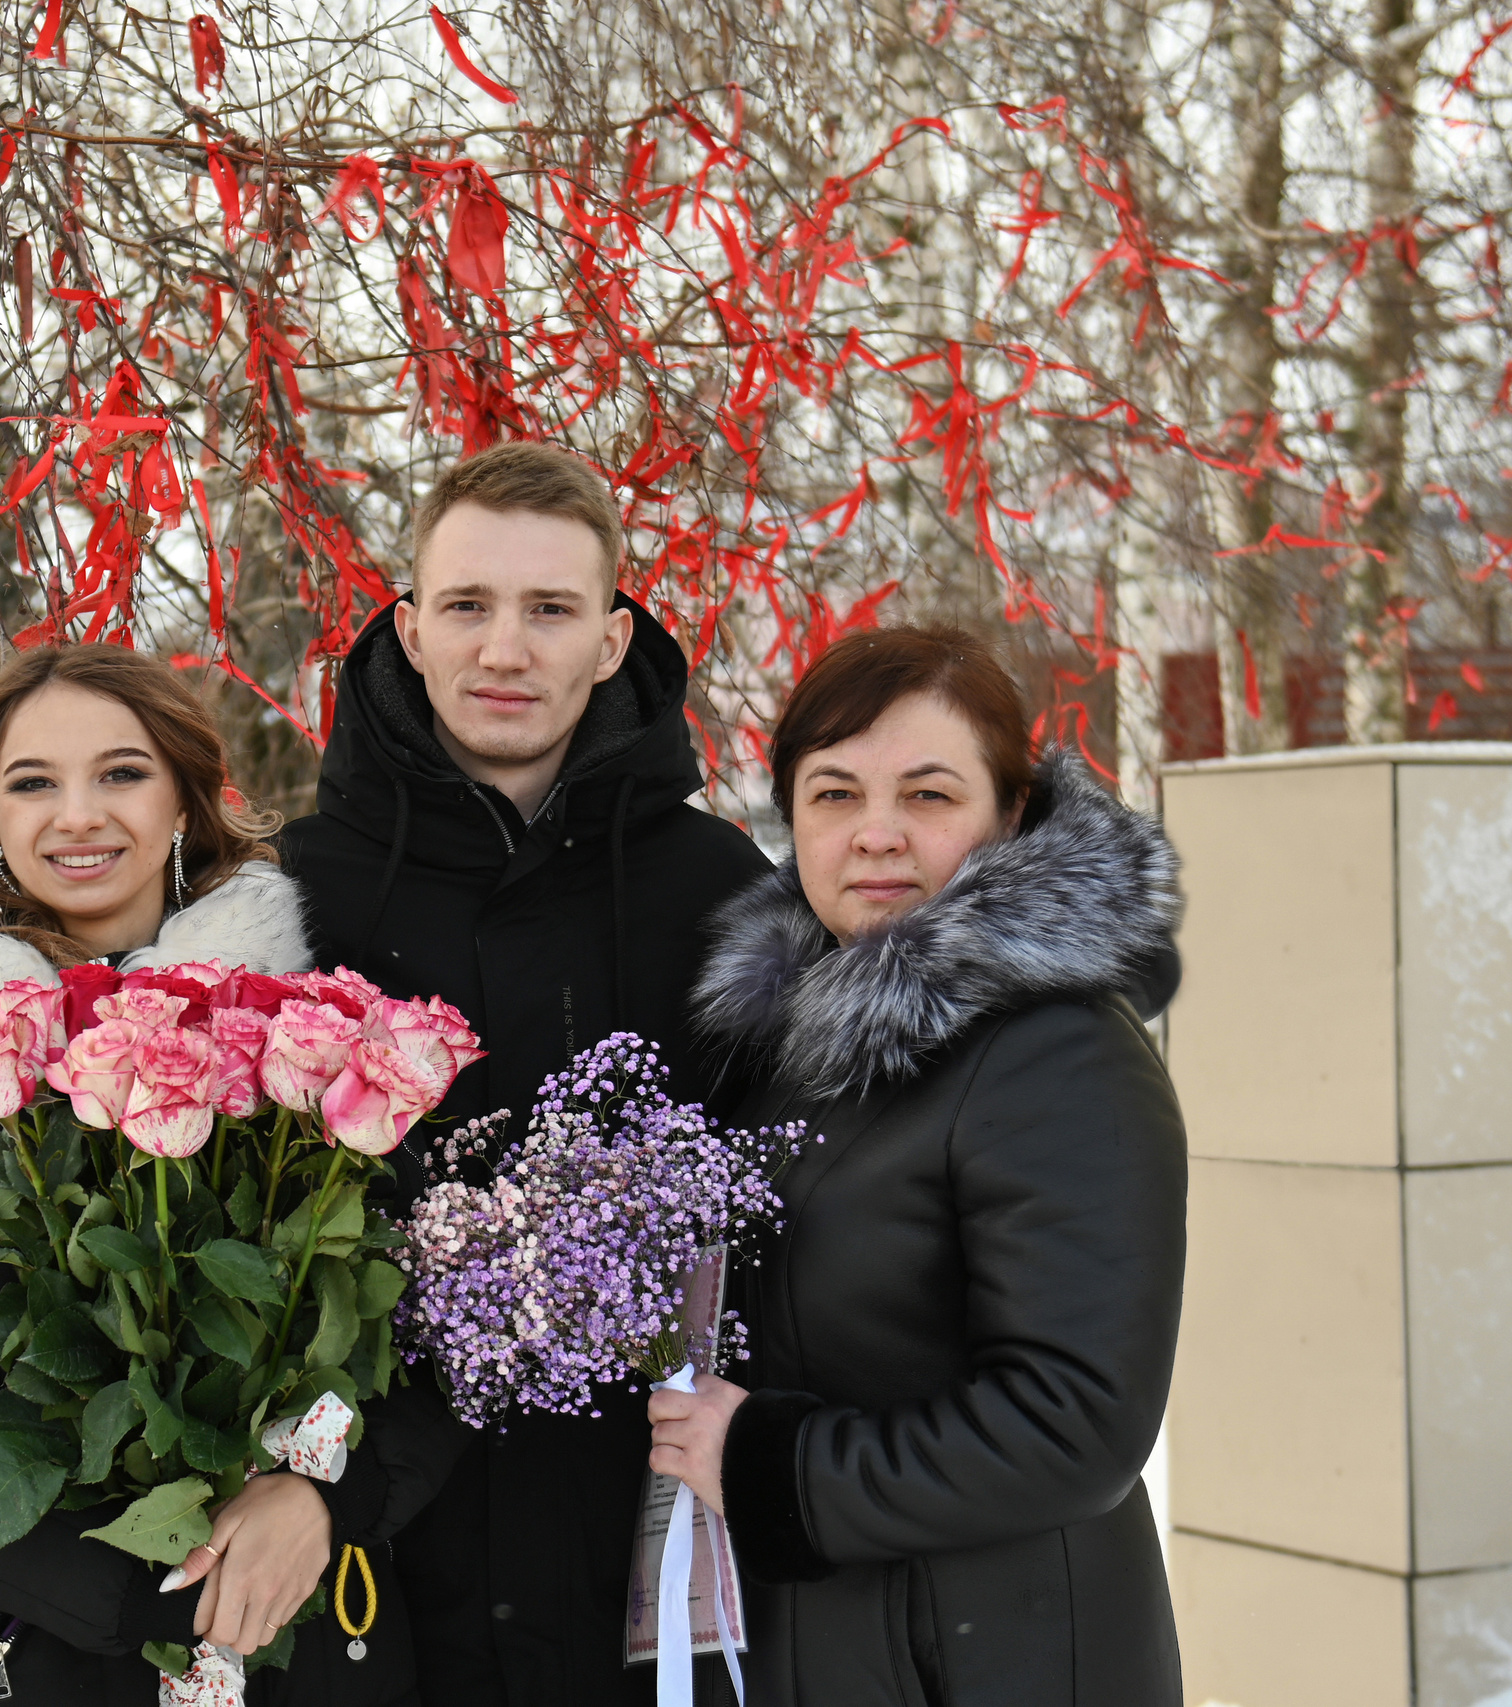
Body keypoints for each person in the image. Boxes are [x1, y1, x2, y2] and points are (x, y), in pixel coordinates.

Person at [0, 644, 463, 1707]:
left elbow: (425, 1343)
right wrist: (160, 1592)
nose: (79, 816)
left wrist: (320, 1501)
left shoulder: (306, 1056)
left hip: (304, 1647)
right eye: (32, 783)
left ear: (183, 805)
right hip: (41, 1662)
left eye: (120, 773)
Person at [278, 439, 775, 1706]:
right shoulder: (291, 893)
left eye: (550, 609)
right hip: (370, 1561)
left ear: (611, 641)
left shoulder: (721, 893)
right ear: (408, 626)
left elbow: (793, 1209)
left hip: (642, 1561)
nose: (505, 650)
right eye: (468, 606)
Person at [657, 625, 1187, 1705]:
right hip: (834, 1646)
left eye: (929, 795)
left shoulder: (1057, 1050)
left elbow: (1073, 1421)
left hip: (996, 1656)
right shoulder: (781, 1046)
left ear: (1011, 815)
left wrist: (769, 1467)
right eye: (834, 793)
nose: (875, 835)